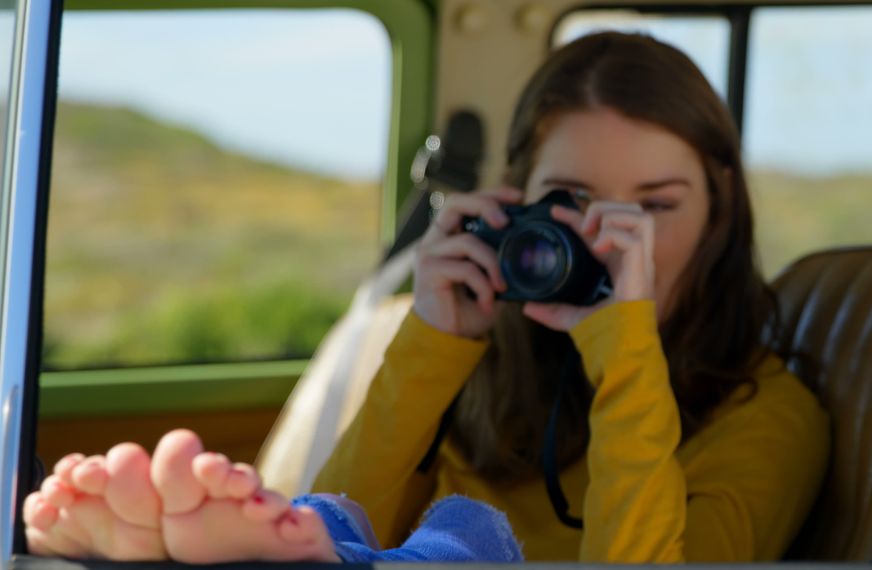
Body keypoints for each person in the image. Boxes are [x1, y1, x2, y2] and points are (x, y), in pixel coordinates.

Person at [23, 31, 830, 563]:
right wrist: (436, 338)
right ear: (519, 203)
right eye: (571, 202)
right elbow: (341, 530)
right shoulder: (488, 368)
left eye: (654, 207)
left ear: (720, 210)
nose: (607, 239)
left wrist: (623, 347)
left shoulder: (771, 414)